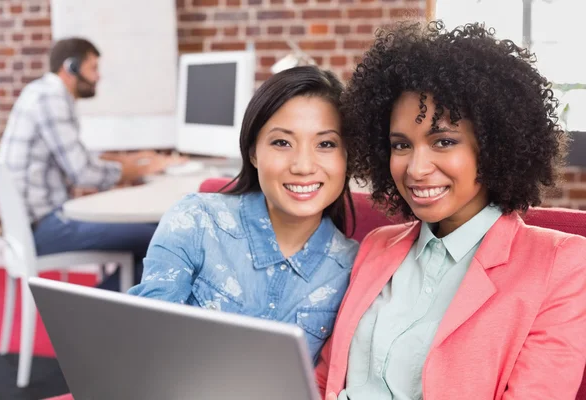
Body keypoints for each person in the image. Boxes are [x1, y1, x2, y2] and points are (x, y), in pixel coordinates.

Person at [316, 21, 586, 400]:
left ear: (493, 146)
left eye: (443, 141)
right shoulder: (377, 247)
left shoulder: (561, 265)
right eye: (401, 145)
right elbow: (324, 379)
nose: (416, 168)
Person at [128, 65, 360, 363]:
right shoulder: (195, 221)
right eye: (282, 142)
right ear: (253, 152)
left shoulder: (353, 268)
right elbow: (143, 346)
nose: (303, 165)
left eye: (325, 144)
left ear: (347, 156)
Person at [0, 38, 177, 291]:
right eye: (93, 68)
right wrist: (144, 168)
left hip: (37, 223)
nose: (98, 77)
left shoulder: (40, 92)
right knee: (161, 237)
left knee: (150, 232)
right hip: (45, 228)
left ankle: (105, 307)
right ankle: (91, 312)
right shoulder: (51, 99)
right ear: (70, 67)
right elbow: (83, 173)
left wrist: (126, 160)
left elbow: (77, 156)